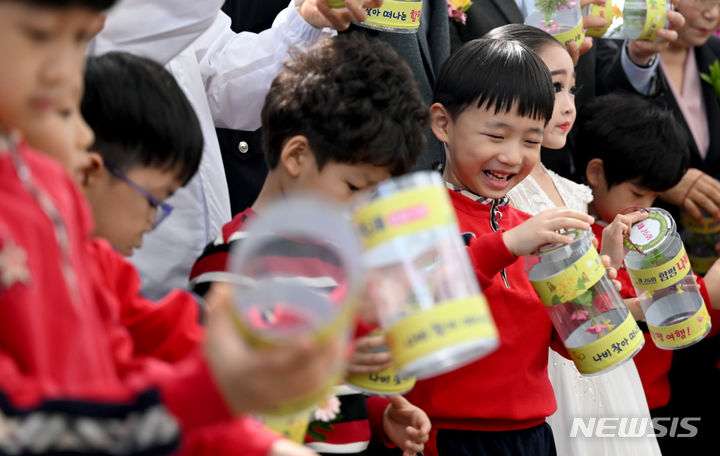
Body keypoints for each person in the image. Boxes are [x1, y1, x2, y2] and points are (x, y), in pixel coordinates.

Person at [0, 1, 349, 454]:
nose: (66, 72)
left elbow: (134, 328)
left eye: (78, 40)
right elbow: (28, 421)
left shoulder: (48, 188)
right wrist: (213, 385)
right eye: (41, 36)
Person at [190, 33, 431, 456]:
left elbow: (333, 395)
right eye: (355, 186)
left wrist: (378, 416)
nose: (363, 208)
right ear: (297, 156)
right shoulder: (232, 263)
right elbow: (226, 389)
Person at [401, 37, 624, 456]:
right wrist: (504, 245)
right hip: (445, 436)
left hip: (533, 435)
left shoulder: (531, 231)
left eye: (530, 141)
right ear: (443, 124)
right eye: (496, 135)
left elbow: (572, 347)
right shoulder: (415, 214)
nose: (511, 156)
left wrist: (592, 299)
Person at [91, 0, 381, 300]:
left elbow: (221, 76)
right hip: (131, 266)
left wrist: (307, 22)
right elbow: (165, 21)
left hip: (196, 263)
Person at [485, 25, 660, 455]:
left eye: (572, 90)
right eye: (554, 87)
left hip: (601, 364)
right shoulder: (500, 191)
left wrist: (636, 298)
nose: (566, 105)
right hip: (548, 371)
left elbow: (583, 299)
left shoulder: (571, 191)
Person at [575, 92, 720, 455]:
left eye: (656, 197)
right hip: (608, 411)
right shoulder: (577, 240)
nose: (647, 208)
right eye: (639, 192)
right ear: (595, 172)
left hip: (656, 401)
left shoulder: (647, 238)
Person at [450, 0, 684, 179]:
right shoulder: (455, 6)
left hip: (577, 180)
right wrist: (539, 53)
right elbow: (451, 85)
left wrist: (637, 57)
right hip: (498, 177)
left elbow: (596, 90)